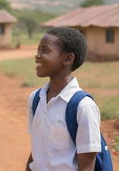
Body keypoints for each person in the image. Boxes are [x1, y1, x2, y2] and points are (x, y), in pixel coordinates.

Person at [26, 26, 101, 171]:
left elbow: (86, 165)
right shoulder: (35, 99)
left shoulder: (83, 107)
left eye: (45, 50)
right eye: (38, 50)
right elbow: (36, 152)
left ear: (67, 59)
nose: (37, 55)